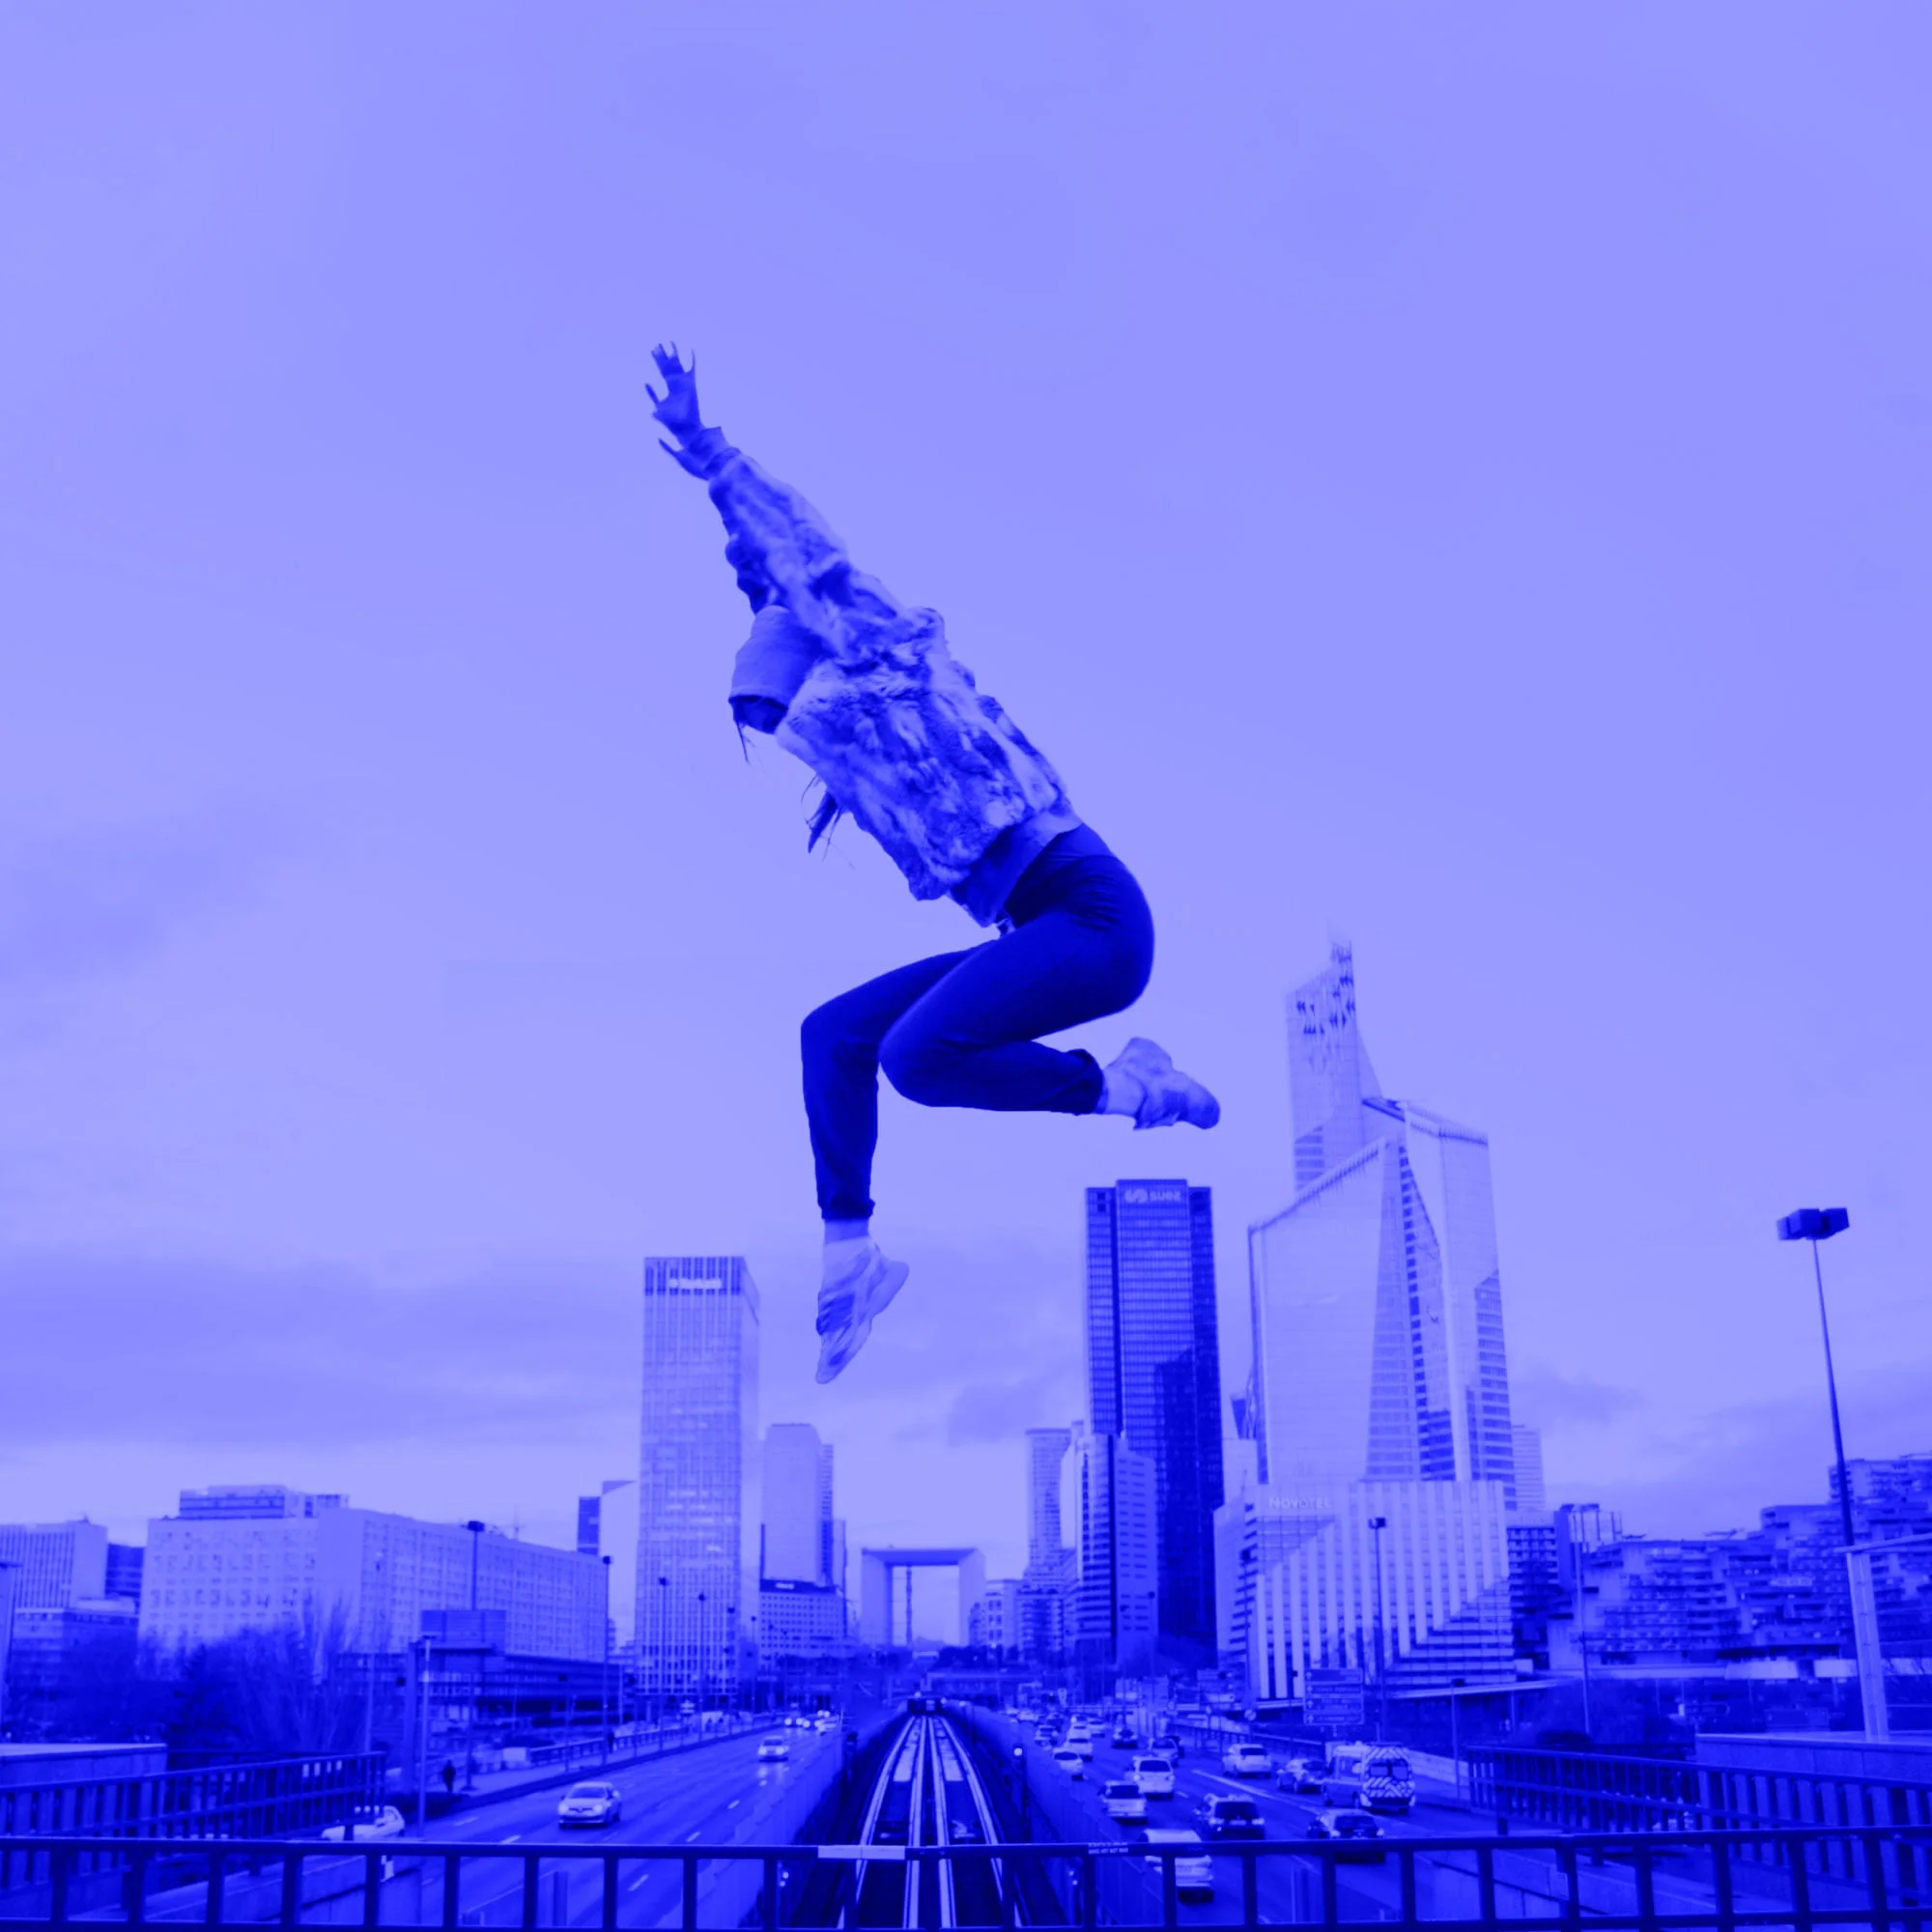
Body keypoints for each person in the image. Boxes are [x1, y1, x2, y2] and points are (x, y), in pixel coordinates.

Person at [648, 345, 1219, 1383]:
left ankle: (1125, 1088)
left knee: (917, 1058)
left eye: (775, 701)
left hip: (1094, 917)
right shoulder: (838, 722)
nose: (786, 727)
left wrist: (705, 449)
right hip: (1041, 928)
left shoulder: (876, 650)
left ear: (809, 650)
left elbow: (792, 558)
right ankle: (850, 1255)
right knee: (834, 1034)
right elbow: (756, 585)